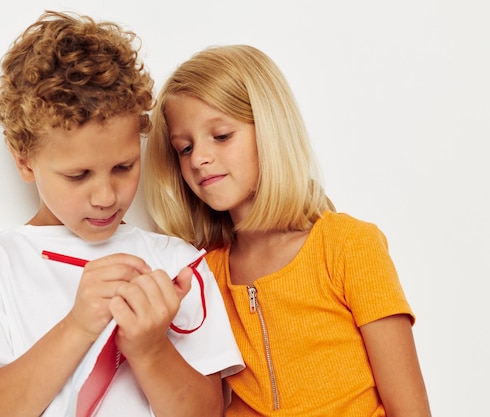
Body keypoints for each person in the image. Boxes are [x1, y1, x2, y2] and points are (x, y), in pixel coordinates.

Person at [0, 11, 243, 417]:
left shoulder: (176, 263)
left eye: (124, 167)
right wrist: (78, 325)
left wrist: (149, 348)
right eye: (78, 175)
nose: (105, 196)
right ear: (24, 162)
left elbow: (208, 413)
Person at [143, 44, 432, 416]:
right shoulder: (205, 274)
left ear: (269, 130)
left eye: (221, 136)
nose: (199, 158)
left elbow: (411, 408)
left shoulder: (348, 245)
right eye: (184, 148)